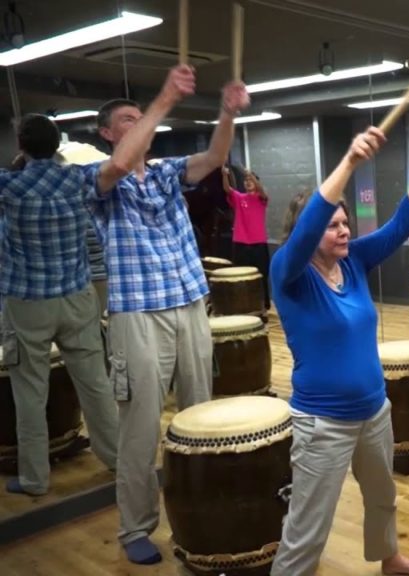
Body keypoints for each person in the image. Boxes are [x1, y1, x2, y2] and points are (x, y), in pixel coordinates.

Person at [269, 125, 409, 576]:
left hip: (374, 411)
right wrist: (351, 162)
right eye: (332, 224)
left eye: (345, 221)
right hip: (322, 423)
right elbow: (311, 223)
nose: (343, 229)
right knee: (308, 526)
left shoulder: (352, 261)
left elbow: (397, 228)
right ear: (306, 232)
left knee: (382, 498)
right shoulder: (289, 273)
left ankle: (390, 560)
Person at [83, 64, 250, 565]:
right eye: (129, 120)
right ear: (108, 133)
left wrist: (226, 112)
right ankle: (135, 526)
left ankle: (202, 510)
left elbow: (218, 155)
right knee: (140, 427)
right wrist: (163, 100)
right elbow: (116, 167)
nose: (140, 125)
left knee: (200, 413)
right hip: (138, 313)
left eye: (143, 118)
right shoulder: (95, 178)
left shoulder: (165, 171)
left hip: (190, 302)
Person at [0, 114, 118, 496]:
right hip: (77, 298)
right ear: (58, 143)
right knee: (96, 386)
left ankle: (35, 479)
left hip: (27, 304)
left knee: (30, 394)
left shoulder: (9, 186)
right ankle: (118, 458)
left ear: (21, 145)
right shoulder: (78, 179)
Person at [221, 165, 270, 310]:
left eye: (251, 180)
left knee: (261, 275)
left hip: (258, 243)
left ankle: (263, 305)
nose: (248, 182)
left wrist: (251, 175)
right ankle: (244, 305)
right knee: (241, 275)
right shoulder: (239, 198)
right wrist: (225, 175)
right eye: (246, 180)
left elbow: (262, 191)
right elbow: (227, 189)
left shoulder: (261, 198)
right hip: (241, 243)